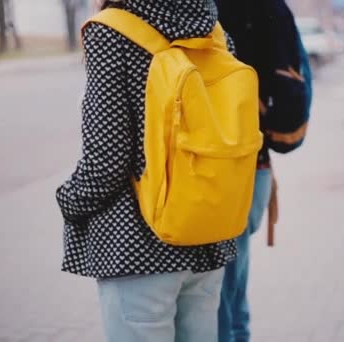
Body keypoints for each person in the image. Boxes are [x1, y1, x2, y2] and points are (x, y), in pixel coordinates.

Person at [55, 1, 237, 341]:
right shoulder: (213, 30)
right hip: (207, 232)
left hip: (138, 243)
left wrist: (68, 200)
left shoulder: (112, 30)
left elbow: (105, 162)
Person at [214, 1, 310, 341]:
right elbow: (296, 89)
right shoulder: (272, 7)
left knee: (216, 296)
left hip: (212, 172)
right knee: (234, 285)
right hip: (257, 166)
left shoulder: (201, 10)